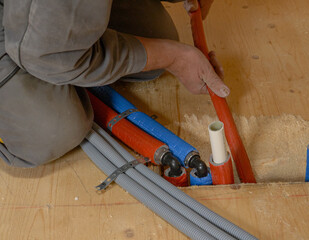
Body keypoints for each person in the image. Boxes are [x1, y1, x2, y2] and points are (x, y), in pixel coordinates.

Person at [0, 0, 229, 167]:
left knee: (157, 33)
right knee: (53, 130)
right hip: (34, 41)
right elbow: (48, 54)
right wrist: (175, 57)